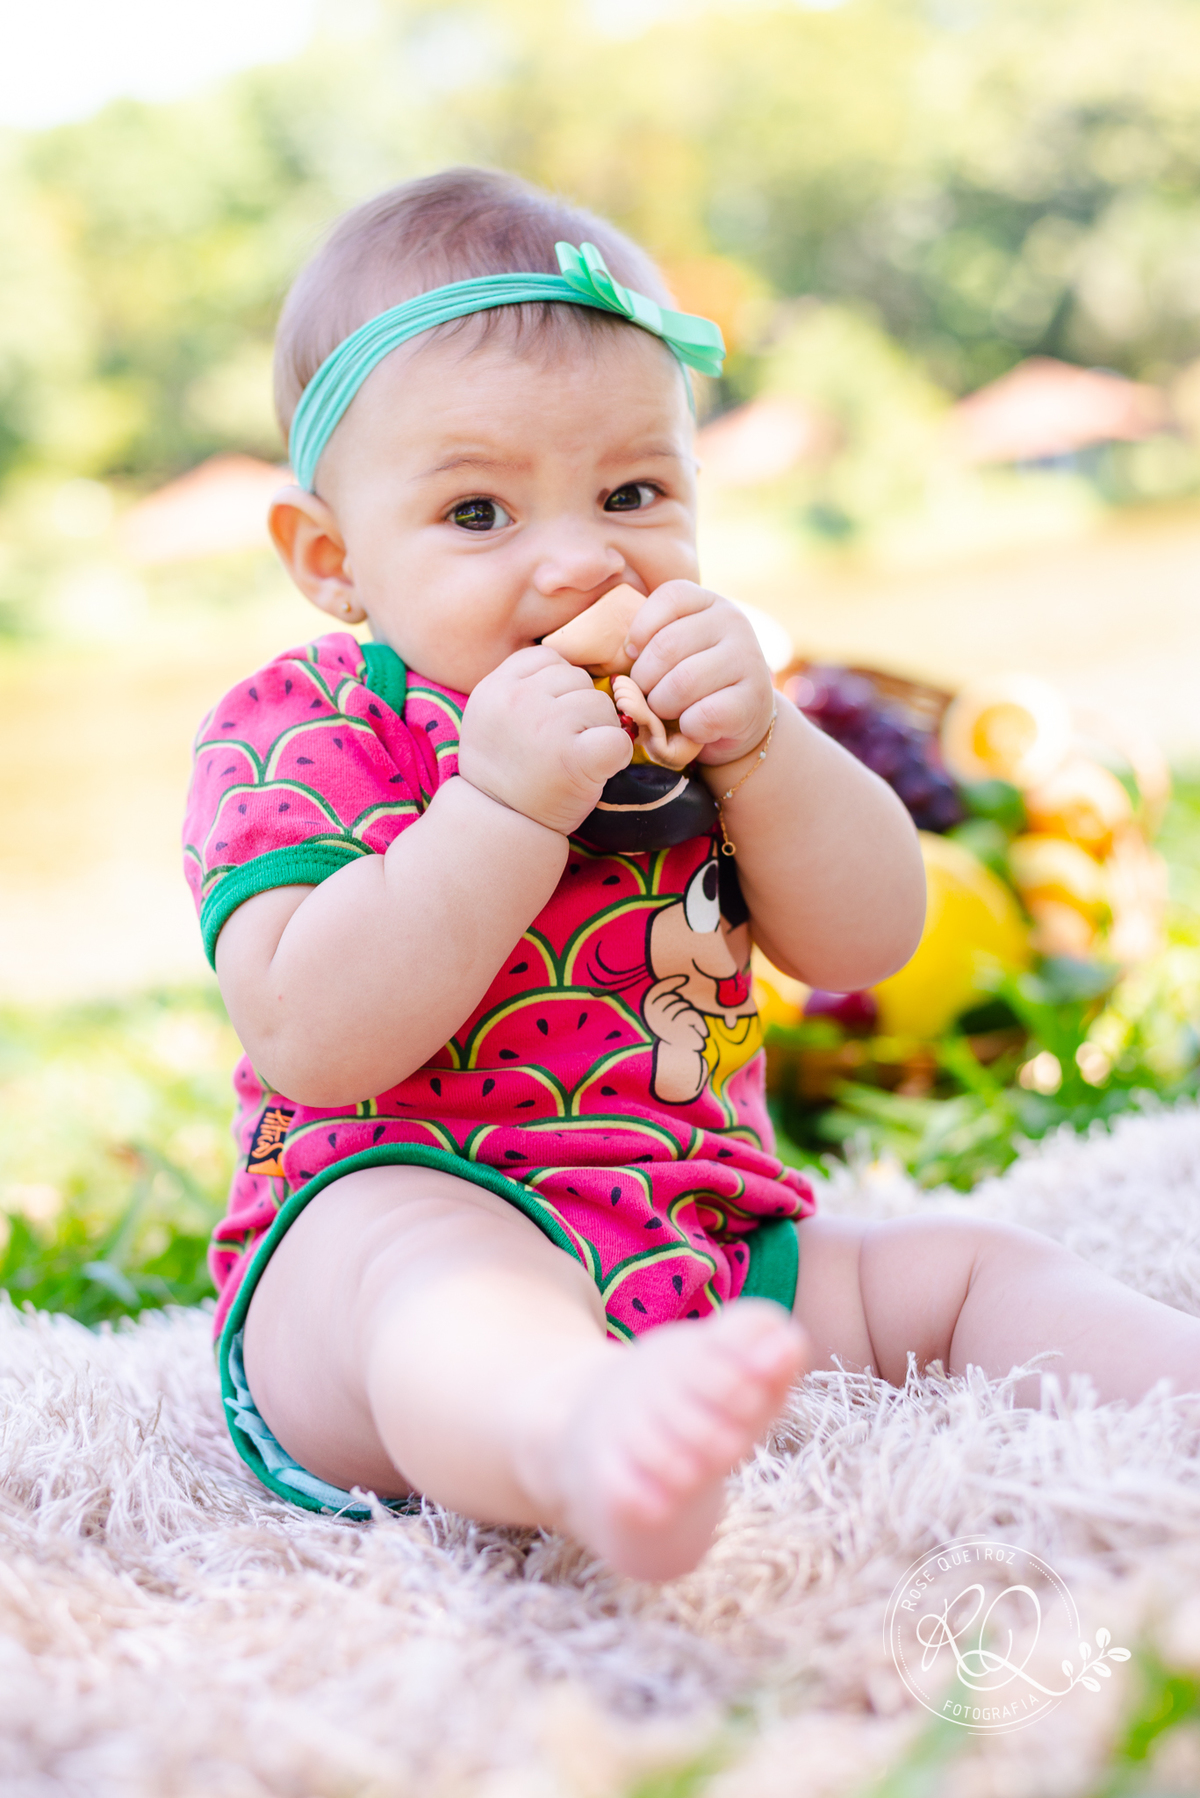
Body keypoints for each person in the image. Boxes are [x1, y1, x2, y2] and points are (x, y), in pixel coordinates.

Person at [184, 167, 1200, 1581]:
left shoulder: (701, 711)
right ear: (331, 556)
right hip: (392, 1218)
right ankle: (580, 1436)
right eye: (480, 512)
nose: (579, 559)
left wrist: (770, 744)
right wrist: (497, 805)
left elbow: (866, 938)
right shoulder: (304, 731)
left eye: (632, 489)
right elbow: (311, 1034)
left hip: (702, 1232)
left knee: (969, 1271)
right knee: (434, 1282)